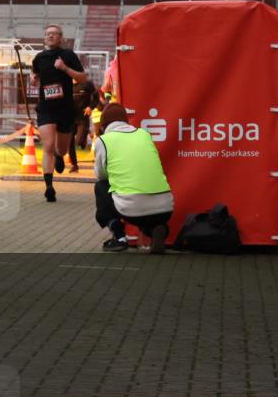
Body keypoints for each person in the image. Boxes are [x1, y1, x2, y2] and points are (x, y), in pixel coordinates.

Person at [93, 103, 174, 254]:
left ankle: (119, 237)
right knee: (146, 213)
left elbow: (101, 174)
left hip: (131, 208)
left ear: (103, 125)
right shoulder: (144, 134)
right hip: (165, 208)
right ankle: (156, 229)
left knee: (101, 186)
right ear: (126, 121)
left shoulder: (103, 140)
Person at [30, 24, 87, 202]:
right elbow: (35, 73)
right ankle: (49, 187)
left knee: (61, 149)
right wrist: (33, 78)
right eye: (48, 34)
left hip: (65, 108)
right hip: (46, 108)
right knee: (47, 146)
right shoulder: (39, 58)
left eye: (54, 34)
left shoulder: (68, 55)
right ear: (44, 37)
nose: (51, 36)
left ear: (61, 37)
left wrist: (65, 68)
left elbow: (82, 77)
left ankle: (59, 155)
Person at [67, 80, 99, 172]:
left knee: (79, 141)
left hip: (83, 117)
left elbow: (96, 98)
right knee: (69, 142)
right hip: (70, 118)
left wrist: (90, 107)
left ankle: (83, 139)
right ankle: (74, 165)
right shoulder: (66, 83)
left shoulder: (87, 84)